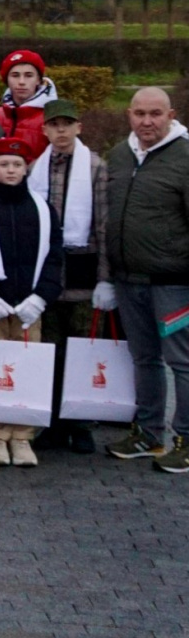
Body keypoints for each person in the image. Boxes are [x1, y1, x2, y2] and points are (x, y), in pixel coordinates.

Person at [100, 86, 189, 470]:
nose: (147, 121)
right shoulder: (120, 154)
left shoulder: (185, 157)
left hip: (173, 283)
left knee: (182, 361)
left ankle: (185, 436)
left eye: (156, 113)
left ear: (171, 115)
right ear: (129, 114)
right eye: (139, 114)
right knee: (144, 359)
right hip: (128, 280)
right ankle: (149, 433)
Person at [0, 136, 65, 468]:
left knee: (25, 369)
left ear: (26, 169)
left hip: (28, 306)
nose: (11, 170)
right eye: (4, 164)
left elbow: (54, 258)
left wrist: (40, 298)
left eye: (17, 165)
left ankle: (22, 436)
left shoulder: (42, 209)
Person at [30, 99, 109, 454]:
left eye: (68, 124)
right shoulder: (34, 168)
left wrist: (106, 278)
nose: (61, 131)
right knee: (50, 349)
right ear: (44, 129)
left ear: (79, 127)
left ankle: (80, 422)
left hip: (83, 270)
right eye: (54, 125)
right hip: (46, 273)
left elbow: (104, 227)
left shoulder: (95, 168)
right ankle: (51, 423)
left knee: (82, 350)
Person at [0, 49, 55, 161]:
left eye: (29, 75)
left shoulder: (50, 117)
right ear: (6, 80)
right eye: (15, 75)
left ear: (39, 80)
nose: (21, 81)